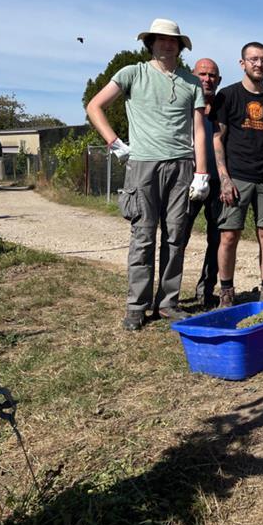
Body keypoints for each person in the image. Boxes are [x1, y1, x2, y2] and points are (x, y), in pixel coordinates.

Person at [86, 18, 209, 330]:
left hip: (182, 166)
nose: (167, 44)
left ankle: (167, 303)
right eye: (161, 39)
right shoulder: (132, 73)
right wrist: (113, 142)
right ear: (151, 43)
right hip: (143, 165)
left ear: (180, 46)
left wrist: (202, 173)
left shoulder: (191, 83)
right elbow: (95, 106)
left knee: (175, 236)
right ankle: (136, 307)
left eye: (173, 41)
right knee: (143, 236)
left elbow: (198, 129)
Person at [212, 42, 263, 307]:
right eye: (253, 59)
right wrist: (224, 177)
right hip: (236, 177)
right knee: (229, 235)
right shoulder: (228, 96)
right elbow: (218, 138)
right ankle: (226, 290)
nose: (259, 64)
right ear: (242, 63)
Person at [180, 58, 223, 308]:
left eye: (212, 75)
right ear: (193, 76)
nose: (207, 79)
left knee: (217, 240)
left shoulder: (224, 108)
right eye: (202, 74)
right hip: (188, 181)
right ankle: (169, 294)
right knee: (178, 236)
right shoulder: (184, 107)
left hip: (218, 184)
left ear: (219, 80)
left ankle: (206, 291)